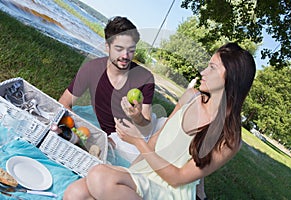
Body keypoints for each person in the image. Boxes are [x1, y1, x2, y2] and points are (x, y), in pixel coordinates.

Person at [63, 42, 256, 200]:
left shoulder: (229, 138)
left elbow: (178, 178)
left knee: (99, 177)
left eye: (212, 67)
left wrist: (137, 141)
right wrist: (125, 175)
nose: (203, 72)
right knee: (75, 193)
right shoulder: (190, 97)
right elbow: (156, 141)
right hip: (146, 174)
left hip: (169, 191)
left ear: (231, 77)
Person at [58, 16, 155, 138]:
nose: (125, 56)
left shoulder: (145, 78)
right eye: (119, 49)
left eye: (131, 50)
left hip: (129, 136)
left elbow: (146, 129)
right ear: (107, 47)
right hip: (99, 128)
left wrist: (137, 117)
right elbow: (63, 103)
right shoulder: (91, 69)